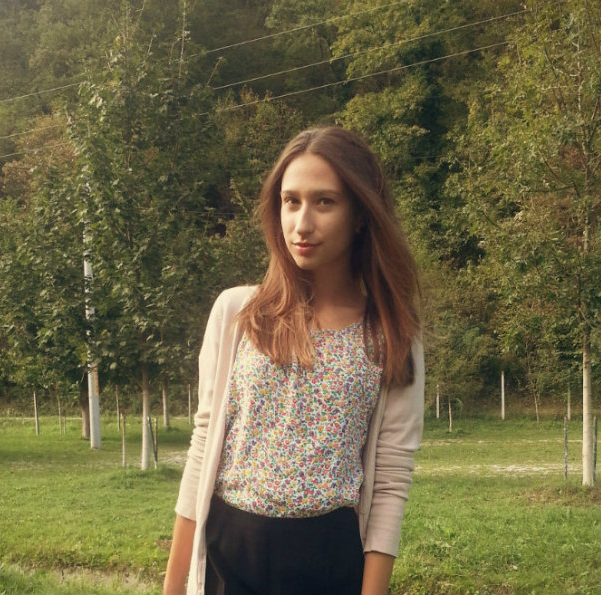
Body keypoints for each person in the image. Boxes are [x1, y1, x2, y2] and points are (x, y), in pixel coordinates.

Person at [163, 126, 424, 595]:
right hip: (230, 555)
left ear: (360, 215)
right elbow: (203, 448)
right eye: (291, 201)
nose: (302, 223)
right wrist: (173, 587)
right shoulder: (237, 314)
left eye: (325, 202)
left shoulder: (389, 333)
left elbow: (390, 483)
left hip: (328, 560)